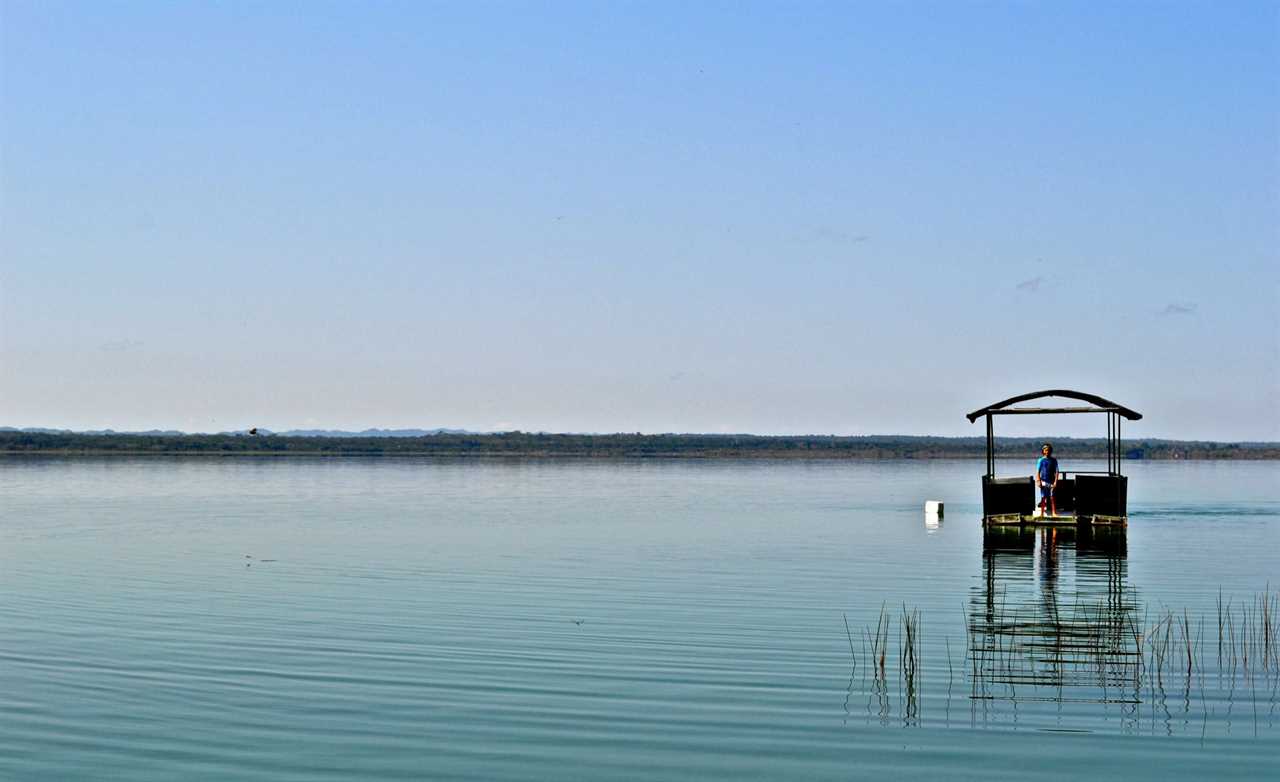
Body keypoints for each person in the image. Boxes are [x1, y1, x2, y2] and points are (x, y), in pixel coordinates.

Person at [1036, 443, 1059, 517]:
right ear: (1043, 451)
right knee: (1043, 497)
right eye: (1046, 450)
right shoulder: (1040, 460)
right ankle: (1042, 513)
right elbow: (1038, 472)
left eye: (1049, 450)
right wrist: (1038, 481)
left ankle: (1054, 512)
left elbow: (1057, 471)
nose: (1047, 451)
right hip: (1043, 481)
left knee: (1052, 497)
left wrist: (1055, 481)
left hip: (1051, 481)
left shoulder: (1054, 460)